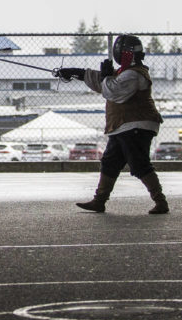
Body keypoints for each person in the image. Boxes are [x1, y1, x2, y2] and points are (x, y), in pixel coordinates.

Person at [55, 34, 168, 215]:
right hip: (124, 127)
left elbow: (113, 90)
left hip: (136, 126)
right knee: (110, 163)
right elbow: (103, 82)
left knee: (139, 164)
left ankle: (161, 202)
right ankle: (99, 201)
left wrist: (106, 76)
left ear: (123, 53)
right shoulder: (123, 73)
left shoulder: (134, 74)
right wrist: (75, 73)